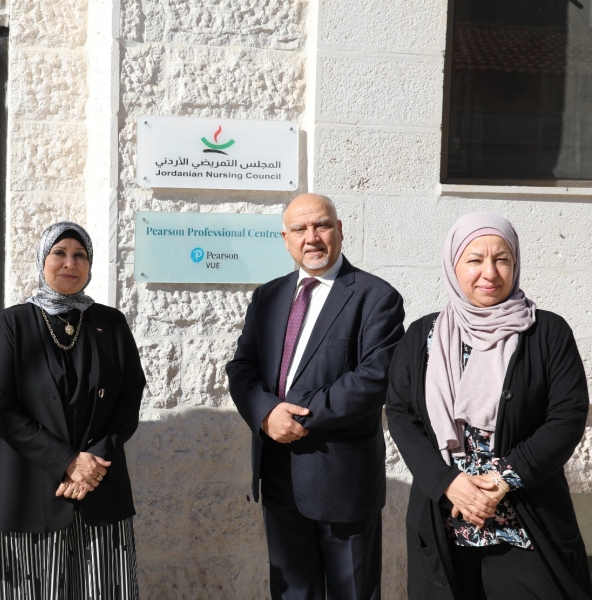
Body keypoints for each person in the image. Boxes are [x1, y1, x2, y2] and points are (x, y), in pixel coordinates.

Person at [385, 212, 592, 599]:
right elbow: (401, 414)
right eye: (475, 260)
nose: (490, 272)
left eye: (502, 259)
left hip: (526, 528)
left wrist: (502, 480)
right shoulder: (422, 336)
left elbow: (566, 417)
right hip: (445, 524)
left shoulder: (547, 332)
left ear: (516, 263)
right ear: (453, 265)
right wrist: (447, 483)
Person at [226, 193, 405, 599]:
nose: (312, 237)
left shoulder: (376, 297)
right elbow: (242, 368)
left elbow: (374, 378)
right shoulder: (268, 296)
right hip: (278, 474)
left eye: (321, 225)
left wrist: (294, 416)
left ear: (339, 230)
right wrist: (266, 414)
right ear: (285, 239)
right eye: (300, 229)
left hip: (342, 481)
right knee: (292, 592)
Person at [0, 221, 146, 599]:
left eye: (80, 255)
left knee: (104, 589)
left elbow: (129, 398)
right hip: (31, 489)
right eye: (59, 253)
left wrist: (92, 464)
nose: (70, 263)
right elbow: (2, 406)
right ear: (42, 260)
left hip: (99, 486)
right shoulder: (13, 323)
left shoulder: (111, 323)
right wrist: (67, 462)